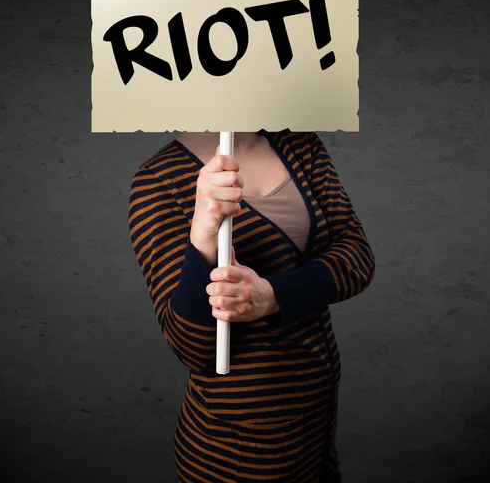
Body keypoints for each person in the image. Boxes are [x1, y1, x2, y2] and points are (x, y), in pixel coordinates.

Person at [128, 128, 375, 483]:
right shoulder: (157, 181)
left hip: (317, 427)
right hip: (240, 447)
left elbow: (357, 257)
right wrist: (203, 238)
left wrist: (271, 296)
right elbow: (191, 346)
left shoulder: (299, 144)